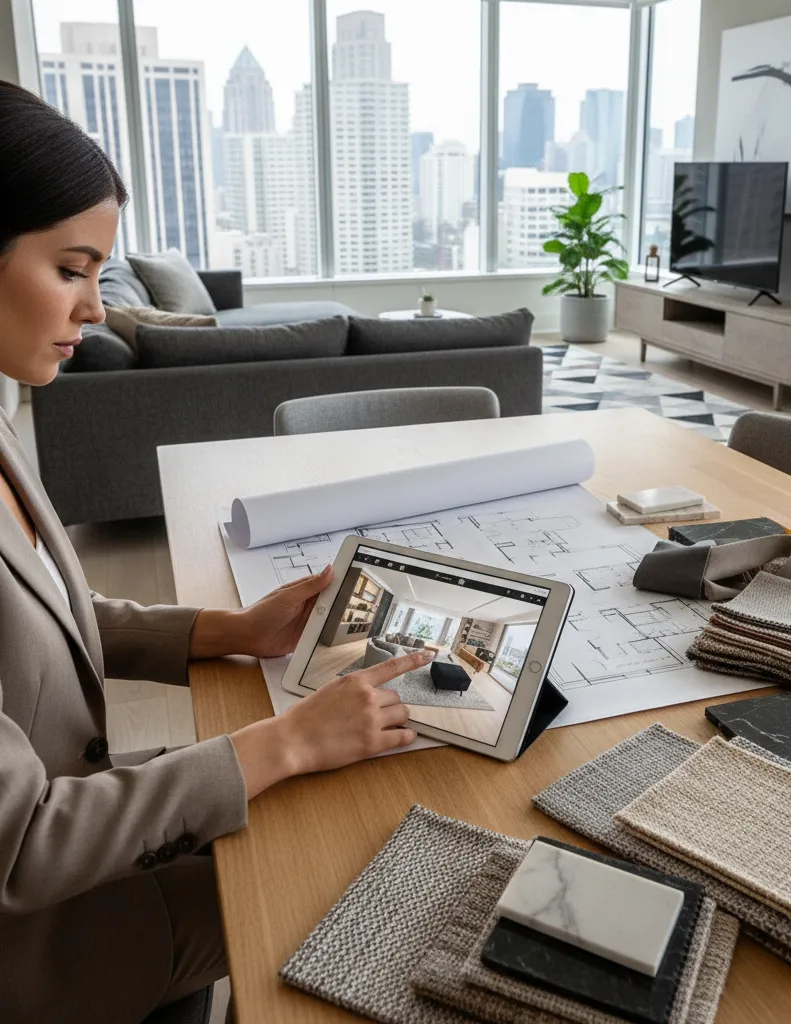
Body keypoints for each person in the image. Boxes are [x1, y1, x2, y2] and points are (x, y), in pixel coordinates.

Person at [0, 80, 424, 1023]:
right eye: (72, 270)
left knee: (319, 806)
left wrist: (226, 628)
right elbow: (22, 849)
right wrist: (282, 740)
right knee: (340, 882)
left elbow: (43, 621)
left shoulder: (0, 423)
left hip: (81, 804)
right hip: (39, 940)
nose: (98, 311)